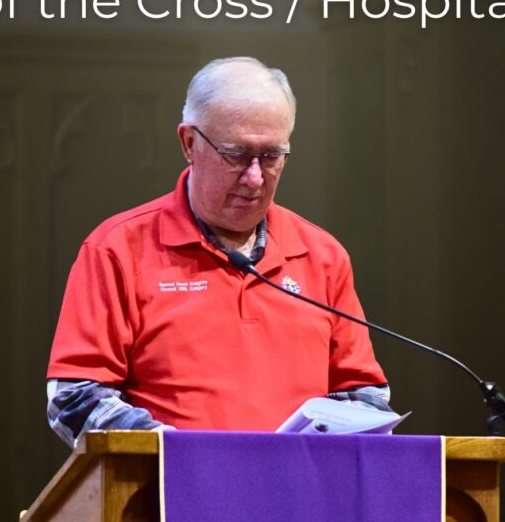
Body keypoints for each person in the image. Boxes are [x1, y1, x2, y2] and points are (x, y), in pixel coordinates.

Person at [46, 56, 391, 446]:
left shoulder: (323, 256)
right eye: (236, 155)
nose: (255, 177)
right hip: (169, 483)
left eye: (272, 156)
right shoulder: (118, 249)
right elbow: (74, 398)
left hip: (298, 482)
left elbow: (365, 398)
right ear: (189, 143)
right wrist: (185, 457)